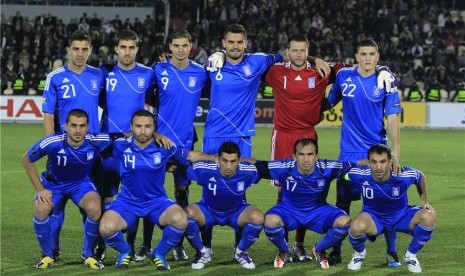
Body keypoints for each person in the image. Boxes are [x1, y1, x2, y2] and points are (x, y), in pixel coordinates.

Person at [201, 23, 329, 258]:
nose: (235, 46)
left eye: (240, 42)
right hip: (214, 135)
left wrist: (315, 58)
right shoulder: (212, 65)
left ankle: (239, 251)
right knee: (210, 192)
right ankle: (205, 249)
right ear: (223, 43)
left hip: (242, 137)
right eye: (230, 42)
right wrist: (215, 55)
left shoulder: (257, 62)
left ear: (246, 43)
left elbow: (292, 54)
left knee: (240, 194)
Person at [265, 33, 350, 262]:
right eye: (295, 50)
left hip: (307, 134)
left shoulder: (321, 71)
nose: (299, 55)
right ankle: (282, 246)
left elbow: (348, 69)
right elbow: (251, 64)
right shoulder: (276, 71)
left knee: (308, 191)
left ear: (307, 50)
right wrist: (315, 57)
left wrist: (320, 64)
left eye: (304, 51)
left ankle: (299, 245)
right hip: (282, 135)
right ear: (288, 51)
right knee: (284, 192)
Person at [98, 110, 209, 270]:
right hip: (127, 203)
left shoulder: (164, 147)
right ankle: (125, 252)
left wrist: (215, 158)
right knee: (105, 228)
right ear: (131, 127)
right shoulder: (120, 145)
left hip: (157, 202)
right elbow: (96, 141)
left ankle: (158, 253)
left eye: (148, 127)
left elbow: (190, 156)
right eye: (138, 126)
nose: (143, 131)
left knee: (180, 220)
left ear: (154, 128)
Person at [135, 29, 209, 262]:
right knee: (151, 195)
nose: (180, 49)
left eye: (184, 45)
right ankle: (146, 245)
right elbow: (145, 97)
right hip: (159, 142)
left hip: (185, 143)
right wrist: (154, 131)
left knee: (182, 194)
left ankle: (177, 244)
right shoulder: (159, 70)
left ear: (191, 47)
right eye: (176, 45)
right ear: (170, 47)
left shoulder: (201, 73)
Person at [327, 38, 402, 266]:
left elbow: (393, 117)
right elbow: (329, 101)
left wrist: (395, 151)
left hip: (376, 155)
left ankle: (391, 251)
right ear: (356, 57)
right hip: (348, 155)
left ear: (377, 57)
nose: (368, 58)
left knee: (386, 203)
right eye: (363, 54)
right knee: (342, 204)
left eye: (372, 54)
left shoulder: (386, 81)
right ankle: (336, 250)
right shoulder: (344, 77)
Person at [41, 30, 105, 261]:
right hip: (63, 151)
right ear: (68, 50)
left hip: (91, 152)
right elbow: (48, 113)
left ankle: (91, 250)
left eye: (84, 49)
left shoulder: (99, 76)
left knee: (90, 203)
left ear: (90, 51)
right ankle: (52, 250)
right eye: (75, 49)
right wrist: (51, 146)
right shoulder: (55, 77)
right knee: (55, 206)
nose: (80, 54)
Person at [247, 138, 358, 269]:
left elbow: (354, 166)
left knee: (345, 223)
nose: (306, 159)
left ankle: (319, 249)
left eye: (310, 154)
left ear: (317, 156)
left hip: (318, 211)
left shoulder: (328, 167)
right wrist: (234, 161)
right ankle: (284, 250)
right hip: (289, 211)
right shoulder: (284, 167)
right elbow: (258, 164)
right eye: (301, 154)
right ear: (294, 156)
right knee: (270, 222)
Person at [22, 109, 111, 270]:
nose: (78, 130)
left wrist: (155, 136)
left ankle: (88, 254)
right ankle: (47, 254)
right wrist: (40, 189)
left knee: (94, 207)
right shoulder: (53, 142)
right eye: (74, 126)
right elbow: (26, 159)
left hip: (80, 184)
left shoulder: (97, 140)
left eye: (82, 126)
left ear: (88, 127)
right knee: (42, 208)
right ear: (66, 126)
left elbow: (124, 137)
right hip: (53, 184)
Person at [98, 29, 157, 260]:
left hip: (138, 144)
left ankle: (137, 246)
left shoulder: (148, 73)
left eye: (132, 47)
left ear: (137, 49)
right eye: (123, 47)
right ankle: (103, 245)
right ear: (116, 49)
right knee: (108, 196)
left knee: (141, 196)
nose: (127, 52)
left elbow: (158, 101)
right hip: (111, 145)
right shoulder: (105, 73)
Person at [346, 144, 436, 273]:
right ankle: (359, 253)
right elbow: (344, 174)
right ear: (368, 162)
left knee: (429, 217)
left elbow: (420, 176)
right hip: (373, 217)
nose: (378, 167)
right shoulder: (358, 174)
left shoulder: (403, 175)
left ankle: (411, 255)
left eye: (383, 162)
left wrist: (424, 200)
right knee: (355, 226)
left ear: (390, 162)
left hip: (401, 215)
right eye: (374, 162)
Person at [183, 141, 263, 270]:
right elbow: (179, 166)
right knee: (186, 215)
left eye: (233, 161)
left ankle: (240, 252)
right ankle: (201, 252)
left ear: (239, 161)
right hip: (208, 210)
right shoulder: (203, 169)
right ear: (218, 159)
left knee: (258, 217)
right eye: (224, 161)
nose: (228, 166)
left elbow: (269, 170)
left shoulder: (249, 172)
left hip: (236, 212)